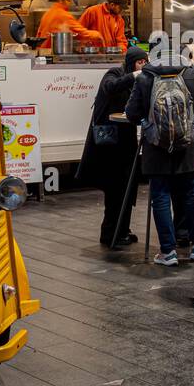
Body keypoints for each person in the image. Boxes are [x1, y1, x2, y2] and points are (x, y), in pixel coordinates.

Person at [124, 37, 194, 267]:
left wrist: (148, 124)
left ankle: (168, 252)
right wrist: (193, 124)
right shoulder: (192, 74)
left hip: (156, 148)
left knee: (161, 197)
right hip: (188, 147)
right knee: (192, 195)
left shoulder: (146, 77)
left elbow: (131, 113)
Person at [76, 45, 148, 248]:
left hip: (125, 140)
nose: (142, 66)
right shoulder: (114, 73)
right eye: (139, 62)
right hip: (109, 143)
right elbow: (110, 87)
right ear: (131, 62)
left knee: (128, 186)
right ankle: (110, 234)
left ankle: (123, 229)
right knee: (115, 189)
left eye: (145, 62)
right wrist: (134, 76)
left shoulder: (137, 80)